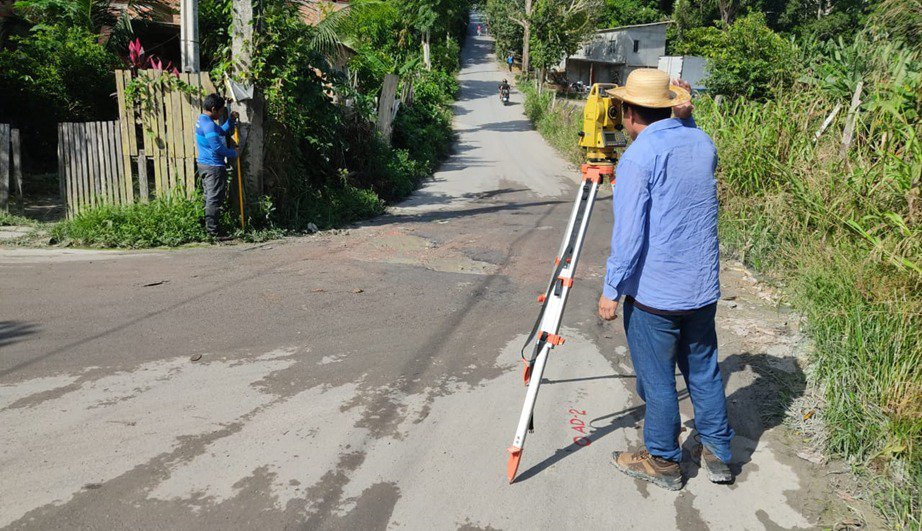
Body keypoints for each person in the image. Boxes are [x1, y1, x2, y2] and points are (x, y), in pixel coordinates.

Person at [598, 70, 734, 491]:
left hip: (656, 295)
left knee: (658, 381)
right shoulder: (701, 141)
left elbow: (629, 235)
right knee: (704, 372)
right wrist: (686, 119)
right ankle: (718, 454)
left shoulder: (639, 157)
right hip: (700, 289)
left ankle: (662, 460)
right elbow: (684, 144)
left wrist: (611, 289)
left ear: (628, 111)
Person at [195, 94, 238, 238]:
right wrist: (234, 153)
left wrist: (231, 120)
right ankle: (213, 232)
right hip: (213, 166)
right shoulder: (208, 126)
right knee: (214, 198)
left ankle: (205, 227)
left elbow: (223, 131)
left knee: (208, 197)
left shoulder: (203, 120)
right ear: (213, 109)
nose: (221, 114)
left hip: (204, 164)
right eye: (220, 111)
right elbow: (218, 148)